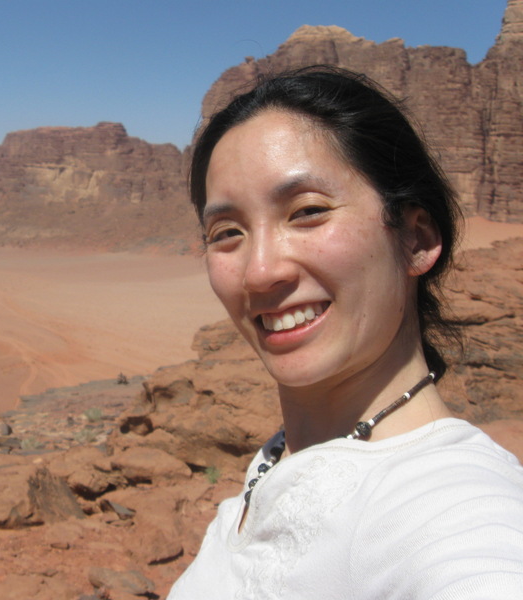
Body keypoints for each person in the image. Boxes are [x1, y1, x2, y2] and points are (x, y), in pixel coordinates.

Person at [167, 66, 523, 599]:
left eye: (308, 211)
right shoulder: (285, 455)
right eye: (227, 232)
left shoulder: (454, 509)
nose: (259, 272)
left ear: (416, 239)